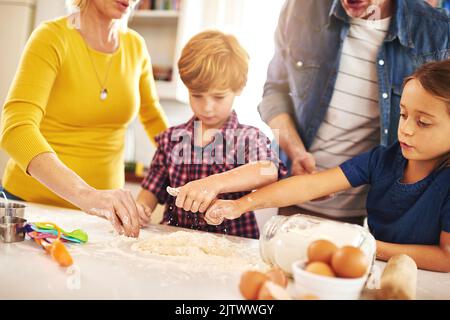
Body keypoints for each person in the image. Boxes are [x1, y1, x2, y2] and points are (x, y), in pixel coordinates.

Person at [204, 60, 450, 272]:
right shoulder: (382, 160)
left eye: (424, 122)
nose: (406, 129)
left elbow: (446, 257)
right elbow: (311, 185)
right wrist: (240, 205)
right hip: (379, 269)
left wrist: (363, 245)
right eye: (403, 115)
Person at [258, 0, 450, 224]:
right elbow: (274, 91)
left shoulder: (438, 32)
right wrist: (296, 151)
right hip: (289, 199)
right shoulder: (300, 8)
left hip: (373, 219)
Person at [0, 0, 169, 237]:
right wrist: (86, 194)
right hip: (33, 207)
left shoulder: (135, 46)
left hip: (104, 217)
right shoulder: (52, 37)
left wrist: (193, 163)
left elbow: (152, 117)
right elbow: (16, 130)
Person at [137, 31, 287, 239]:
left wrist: (214, 183)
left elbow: (267, 171)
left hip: (232, 248)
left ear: (240, 87)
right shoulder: (172, 139)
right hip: (176, 245)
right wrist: (141, 208)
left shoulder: (248, 137)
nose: (207, 107)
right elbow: (152, 189)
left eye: (218, 97)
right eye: (197, 96)